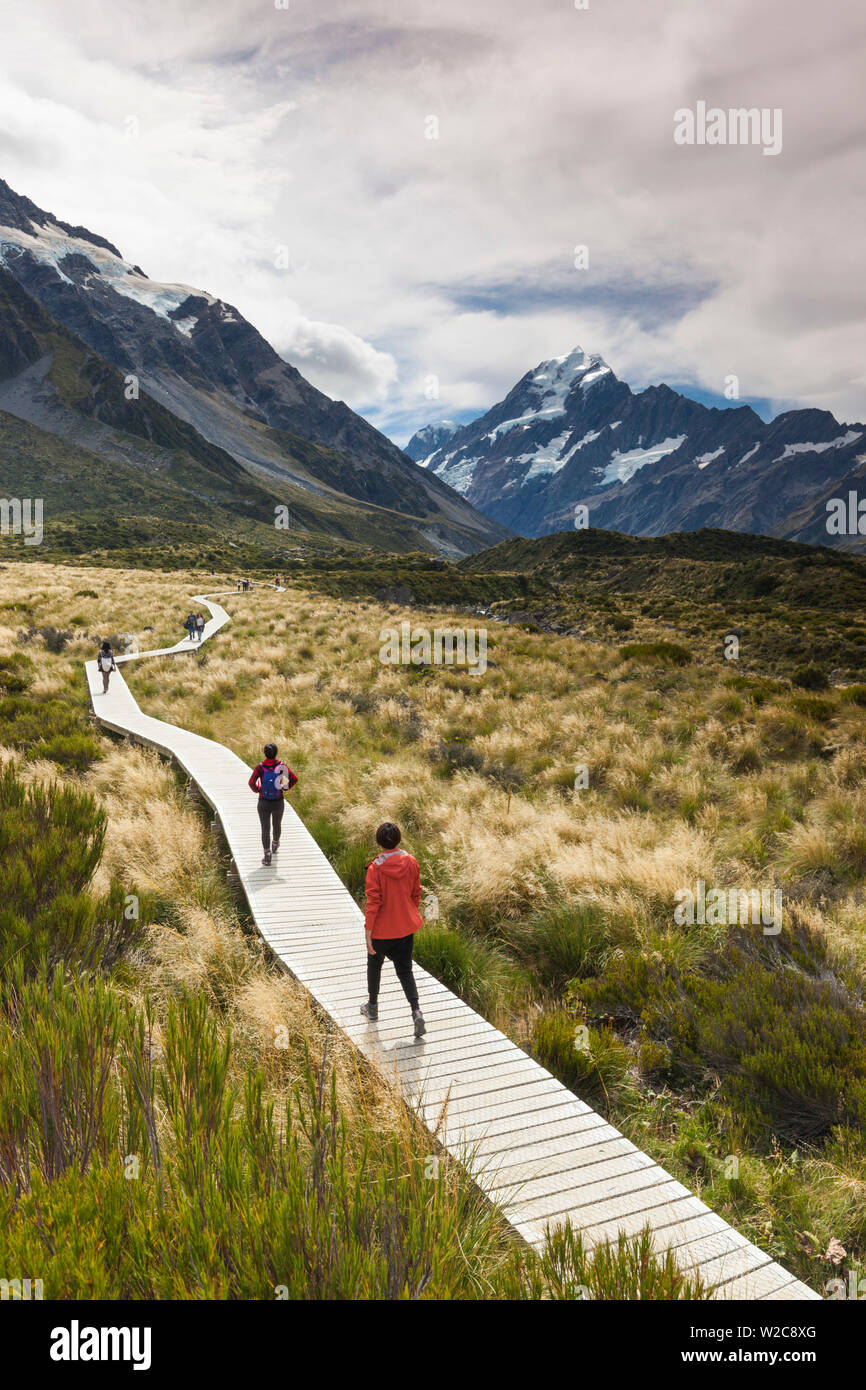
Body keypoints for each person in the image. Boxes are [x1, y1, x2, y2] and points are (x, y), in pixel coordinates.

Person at [361, 823, 425, 1037]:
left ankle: (372, 1007)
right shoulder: (411, 862)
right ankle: (416, 1012)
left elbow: (373, 903)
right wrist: (407, 915)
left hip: (381, 931)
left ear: (379, 841)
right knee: (405, 970)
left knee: (374, 966)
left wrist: (368, 932)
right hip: (405, 929)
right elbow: (416, 893)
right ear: (398, 839)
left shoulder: (375, 868)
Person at [248, 742, 298, 865]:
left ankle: (267, 854)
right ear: (276, 753)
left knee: (265, 828)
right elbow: (294, 779)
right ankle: (275, 843)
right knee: (277, 824)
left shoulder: (260, 767)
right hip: (278, 802)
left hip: (263, 802)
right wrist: (284, 788)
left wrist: (258, 790)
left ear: (265, 753)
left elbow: (251, 782)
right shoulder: (281, 766)